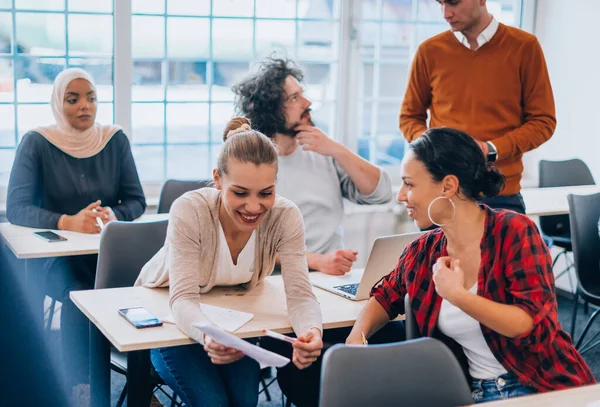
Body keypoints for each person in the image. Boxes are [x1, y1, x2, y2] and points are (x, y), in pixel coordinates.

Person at [347, 127, 595, 403]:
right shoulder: (423, 250)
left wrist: (459, 296)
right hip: (475, 393)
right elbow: (386, 296)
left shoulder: (513, 231)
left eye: (410, 184)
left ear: (448, 186)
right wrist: (357, 335)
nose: (401, 195)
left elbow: (530, 324)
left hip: (541, 385)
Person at [135, 117, 324, 407]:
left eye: (266, 193)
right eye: (239, 193)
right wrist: (207, 335)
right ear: (218, 179)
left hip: (230, 320)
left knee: (244, 401)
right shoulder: (190, 209)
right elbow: (183, 297)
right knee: (213, 402)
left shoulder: (286, 216)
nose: (253, 206)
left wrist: (311, 330)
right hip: (169, 316)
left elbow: (300, 295)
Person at [6, 68, 146, 401]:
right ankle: (78, 384)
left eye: (91, 97)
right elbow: (16, 207)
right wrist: (67, 221)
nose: (85, 106)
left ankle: (141, 379)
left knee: (138, 287)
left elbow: (136, 200)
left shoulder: (114, 139)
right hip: (58, 260)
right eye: (73, 99)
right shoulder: (38, 142)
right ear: (58, 103)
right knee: (80, 294)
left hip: (108, 255)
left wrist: (114, 214)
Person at [233, 57, 393, 275]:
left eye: (302, 93)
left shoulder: (322, 151)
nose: (307, 103)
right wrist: (316, 261)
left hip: (330, 278)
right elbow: (242, 246)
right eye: (294, 98)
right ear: (270, 110)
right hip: (277, 281)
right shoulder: (249, 164)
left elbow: (381, 194)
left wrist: (337, 149)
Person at [400, 0, 556, 215]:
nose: (446, 13)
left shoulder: (524, 47)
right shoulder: (429, 51)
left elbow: (543, 122)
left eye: (453, 2)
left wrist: (491, 149)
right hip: (442, 194)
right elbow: (409, 118)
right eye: (441, 3)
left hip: (501, 195)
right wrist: (435, 148)